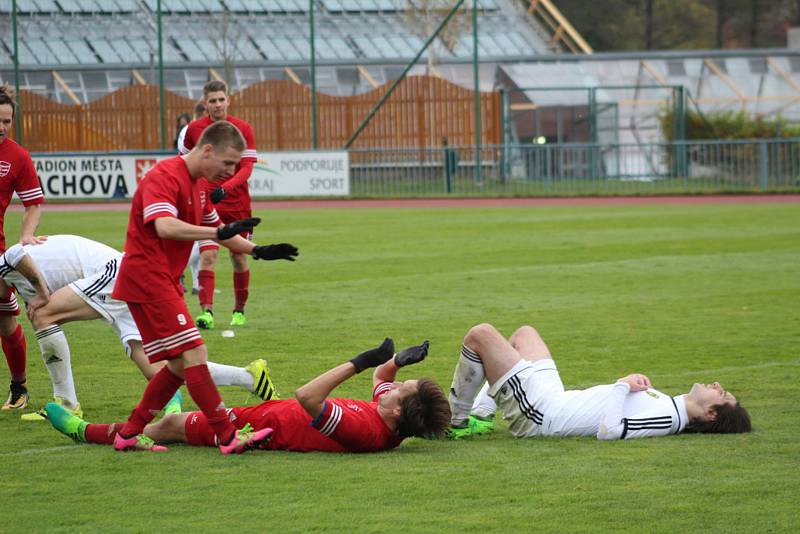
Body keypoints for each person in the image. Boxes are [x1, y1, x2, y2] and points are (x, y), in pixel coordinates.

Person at [110, 120, 298, 454]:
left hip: (161, 280)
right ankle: (227, 437)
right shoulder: (164, 176)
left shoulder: (198, 186)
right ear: (207, 149)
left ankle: (129, 434)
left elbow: (221, 229)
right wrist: (218, 236)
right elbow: (165, 226)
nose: (229, 172)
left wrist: (259, 251)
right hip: (147, 278)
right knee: (195, 353)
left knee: (180, 365)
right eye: (227, 163)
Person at [0, 234, 278, 421]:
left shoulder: (4, 265)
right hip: (122, 277)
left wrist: (44, 293)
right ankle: (250, 378)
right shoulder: (13, 287)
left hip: (111, 274)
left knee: (43, 314)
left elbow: (15, 253)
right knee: (160, 370)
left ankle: (66, 403)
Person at [46, 338, 452, 453]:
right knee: (181, 383)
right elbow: (384, 377)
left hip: (250, 429)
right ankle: (171, 402)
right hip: (262, 413)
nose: (394, 385)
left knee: (167, 426)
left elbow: (308, 396)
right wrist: (398, 361)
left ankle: (85, 431)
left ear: (398, 409)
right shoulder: (388, 414)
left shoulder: (366, 429)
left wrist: (358, 362)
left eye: (401, 389)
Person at [448, 323, 752, 440]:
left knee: (481, 335)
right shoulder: (670, 406)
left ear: (711, 414)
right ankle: (481, 415)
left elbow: (611, 431)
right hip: (556, 398)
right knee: (525, 334)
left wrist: (623, 385)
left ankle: (456, 424)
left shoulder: (667, 419)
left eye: (721, 393)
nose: (716, 384)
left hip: (542, 416)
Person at [179, 80, 257, 330]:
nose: (217, 104)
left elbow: (247, 168)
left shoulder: (243, 128)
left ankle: (239, 310)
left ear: (228, 100)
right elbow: (186, 161)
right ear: (205, 103)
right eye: (212, 100)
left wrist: (226, 188)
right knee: (209, 255)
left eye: (221, 99)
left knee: (238, 257)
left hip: (237, 205)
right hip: (207, 205)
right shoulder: (194, 130)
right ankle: (207, 312)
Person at [0, 84, 44, 410]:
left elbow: (33, 204)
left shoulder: (18, 156)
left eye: (7, 121)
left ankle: (19, 388)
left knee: (5, 322)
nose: (2, 127)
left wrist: (26, 236)